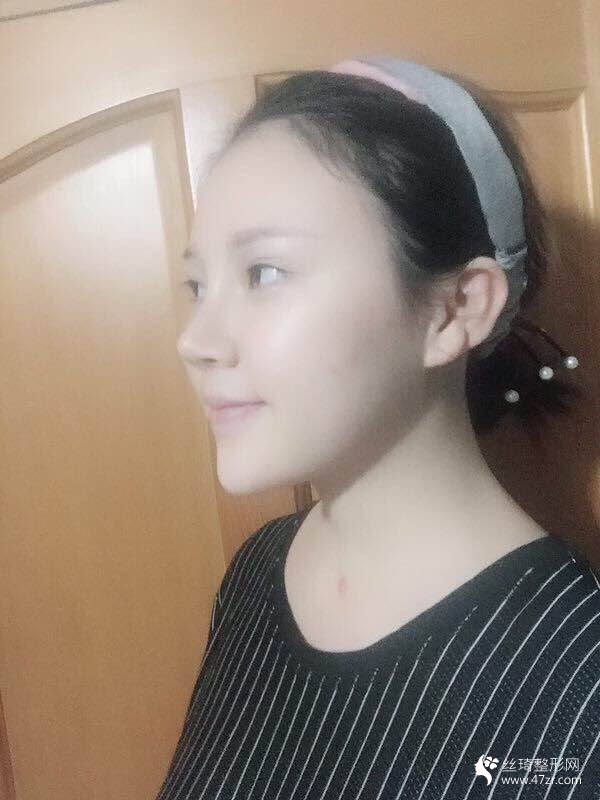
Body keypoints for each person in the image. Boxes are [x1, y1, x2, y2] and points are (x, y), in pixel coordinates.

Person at [155, 56, 598, 799]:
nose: (194, 340)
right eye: (199, 285)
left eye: (264, 272)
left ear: (456, 309)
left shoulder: (578, 685)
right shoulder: (256, 576)